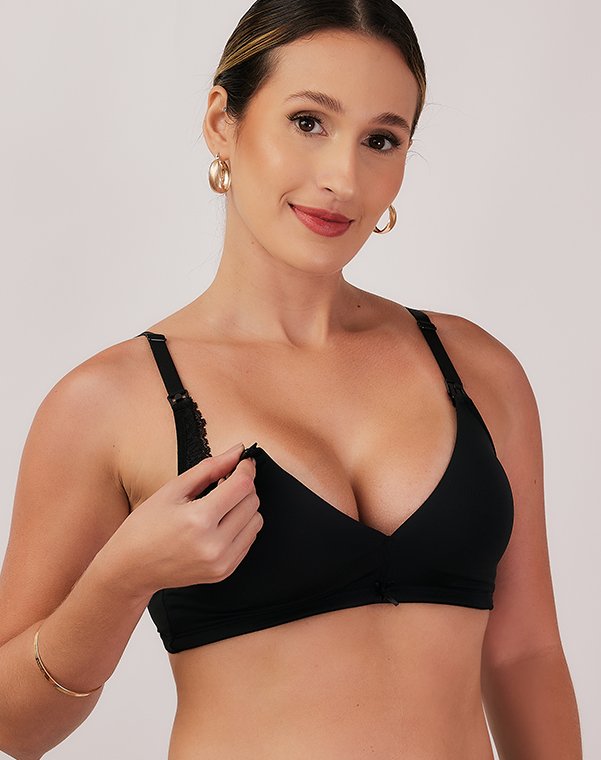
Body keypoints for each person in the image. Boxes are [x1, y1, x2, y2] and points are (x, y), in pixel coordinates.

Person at [0, 1, 583, 758]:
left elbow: (525, 653)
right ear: (223, 122)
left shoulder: (476, 369)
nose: (343, 177)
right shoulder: (109, 402)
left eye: (380, 139)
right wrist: (121, 579)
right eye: (308, 122)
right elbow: (15, 726)